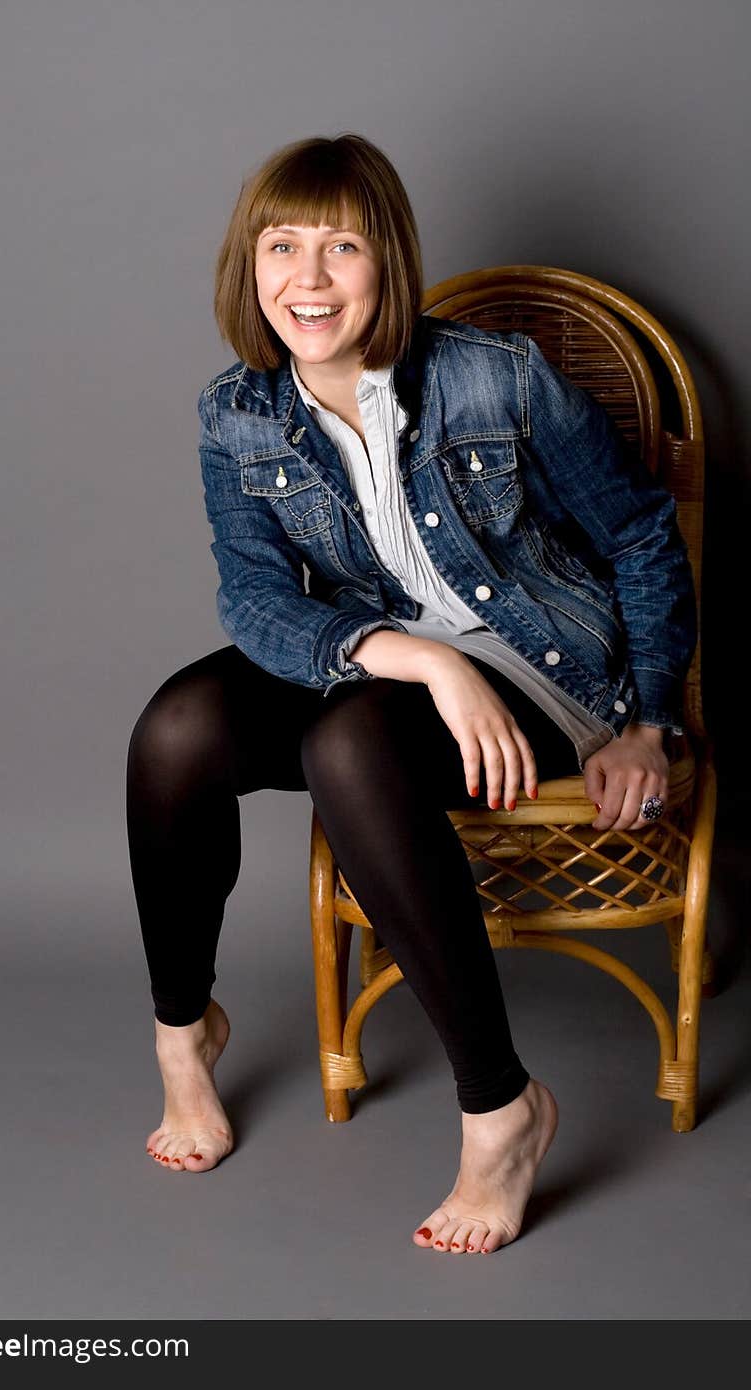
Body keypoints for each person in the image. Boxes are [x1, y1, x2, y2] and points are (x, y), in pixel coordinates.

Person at [125, 133, 697, 1255]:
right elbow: (253, 603)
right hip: (385, 668)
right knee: (176, 730)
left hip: (541, 668)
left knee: (347, 745)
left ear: (386, 260)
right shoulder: (236, 413)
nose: (308, 279)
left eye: (340, 248)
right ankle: (183, 1037)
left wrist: (647, 721)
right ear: (249, 266)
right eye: (280, 247)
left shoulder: (497, 374)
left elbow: (639, 532)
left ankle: (500, 1108)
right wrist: (423, 658)